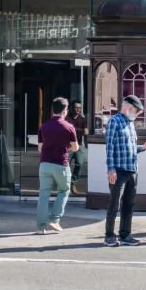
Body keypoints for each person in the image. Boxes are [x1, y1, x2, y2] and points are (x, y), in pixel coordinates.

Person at [104, 94, 146, 247]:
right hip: (118, 170)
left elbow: (129, 148)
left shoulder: (130, 123)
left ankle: (125, 235)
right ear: (128, 107)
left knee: (129, 204)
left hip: (132, 170)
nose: (138, 114)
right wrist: (111, 170)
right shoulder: (114, 122)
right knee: (114, 204)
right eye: (136, 110)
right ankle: (109, 236)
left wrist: (142, 148)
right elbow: (109, 148)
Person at [35, 96, 78, 234]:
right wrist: (67, 148)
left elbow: (40, 148)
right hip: (61, 163)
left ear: (52, 110)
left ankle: (41, 227)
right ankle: (54, 219)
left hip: (45, 164)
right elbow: (76, 147)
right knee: (64, 190)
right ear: (65, 110)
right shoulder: (69, 127)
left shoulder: (44, 126)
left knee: (43, 195)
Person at [68, 101, 89, 196]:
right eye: (76, 107)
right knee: (65, 165)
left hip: (79, 145)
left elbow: (86, 132)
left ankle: (73, 183)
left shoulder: (83, 119)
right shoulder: (66, 118)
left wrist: (73, 129)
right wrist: (78, 130)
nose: (78, 109)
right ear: (72, 108)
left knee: (79, 164)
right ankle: (65, 184)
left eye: (79, 108)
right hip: (67, 145)